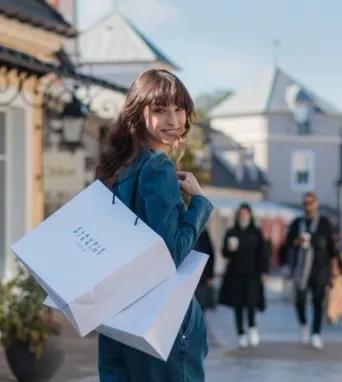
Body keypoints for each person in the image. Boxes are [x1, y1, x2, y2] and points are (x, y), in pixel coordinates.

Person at [95, 69, 213, 381]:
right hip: (162, 317)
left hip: (117, 311)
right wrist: (200, 204)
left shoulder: (117, 169)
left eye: (179, 109)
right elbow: (170, 254)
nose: (173, 120)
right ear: (138, 113)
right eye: (160, 109)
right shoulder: (158, 167)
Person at [284, 192, 337, 350]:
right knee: (299, 299)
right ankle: (303, 324)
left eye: (311, 203)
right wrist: (297, 241)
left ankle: (316, 333)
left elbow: (332, 248)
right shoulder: (297, 223)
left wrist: (334, 268)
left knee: (317, 301)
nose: (308, 206)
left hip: (320, 268)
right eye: (306, 203)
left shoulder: (324, 223)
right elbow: (287, 243)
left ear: (316, 204)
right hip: (301, 268)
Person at [219, 203, 269, 348]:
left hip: (252, 274)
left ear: (250, 215)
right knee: (238, 305)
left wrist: (264, 271)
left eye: (246, 214)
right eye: (241, 214)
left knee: (251, 302)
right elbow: (224, 253)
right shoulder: (231, 231)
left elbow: (263, 253)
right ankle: (240, 333)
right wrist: (228, 248)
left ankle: (252, 328)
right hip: (235, 274)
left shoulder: (256, 232)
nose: (243, 216)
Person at [194, 229, 216, 311]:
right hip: (185, 276)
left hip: (201, 276)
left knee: (200, 305)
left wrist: (210, 275)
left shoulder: (203, 232)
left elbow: (210, 254)